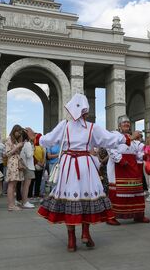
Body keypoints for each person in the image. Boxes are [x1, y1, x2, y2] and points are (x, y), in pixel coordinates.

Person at [36, 93, 134, 251]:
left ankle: (71, 241)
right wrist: (125, 139)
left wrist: (38, 138)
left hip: (68, 165)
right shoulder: (92, 127)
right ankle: (86, 234)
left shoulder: (64, 126)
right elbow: (109, 139)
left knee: (69, 200)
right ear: (86, 112)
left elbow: (48, 140)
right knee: (86, 198)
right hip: (86, 164)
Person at [107, 115, 150, 225]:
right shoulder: (114, 135)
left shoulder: (132, 138)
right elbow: (111, 148)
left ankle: (138, 215)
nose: (126, 124)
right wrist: (120, 160)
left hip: (132, 167)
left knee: (137, 191)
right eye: (124, 123)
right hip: (118, 167)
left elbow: (136, 152)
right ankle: (111, 217)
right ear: (119, 125)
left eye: (128, 123)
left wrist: (143, 156)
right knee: (116, 192)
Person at [4, 125, 24, 211]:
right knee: (11, 185)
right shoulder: (9, 139)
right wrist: (17, 146)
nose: (19, 134)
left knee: (14, 185)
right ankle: (11, 205)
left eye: (20, 132)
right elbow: (7, 154)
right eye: (18, 131)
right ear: (14, 131)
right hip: (12, 164)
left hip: (15, 164)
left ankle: (12, 204)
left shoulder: (15, 140)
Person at [20, 128, 35, 208]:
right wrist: (33, 149)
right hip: (29, 166)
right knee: (26, 185)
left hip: (24, 166)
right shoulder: (28, 144)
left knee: (23, 185)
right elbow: (29, 155)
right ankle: (25, 202)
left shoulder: (21, 143)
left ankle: (23, 201)